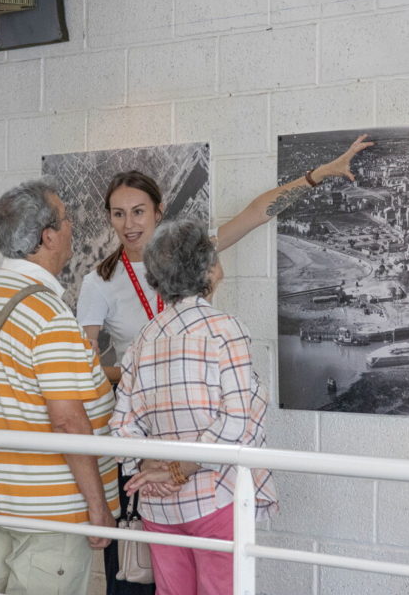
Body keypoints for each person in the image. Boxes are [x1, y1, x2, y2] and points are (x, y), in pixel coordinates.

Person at [77, 134, 372, 594]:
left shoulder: (187, 256)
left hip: (187, 430)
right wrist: (153, 375)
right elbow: (86, 366)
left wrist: (318, 175)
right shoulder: (100, 281)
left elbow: (257, 213)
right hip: (150, 433)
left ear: (158, 210)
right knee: (143, 573)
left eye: (138, 211)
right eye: (118, 213)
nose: (128, 223)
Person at [109, 218, 278, 595]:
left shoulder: (143, 339)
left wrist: (149, 468)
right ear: (208, 268)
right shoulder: (224, 329)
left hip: (158, 506)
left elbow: (121, 428)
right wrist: (177, 470)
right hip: (214, 496)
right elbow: (237, 421)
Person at [0, 178, 119, 595]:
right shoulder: (48, 313)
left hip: (0, 497)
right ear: (48, 237)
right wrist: (97, 507)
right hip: (51, 510)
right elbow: (68, 421)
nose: (73, 227)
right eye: (68, 218)